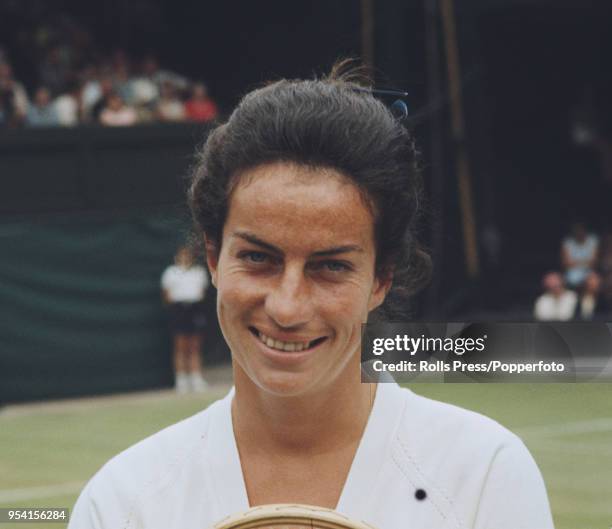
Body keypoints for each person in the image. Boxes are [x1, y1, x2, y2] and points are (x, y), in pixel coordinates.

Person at [69, 63, 554, 529]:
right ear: (214, 257)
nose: (287, 306)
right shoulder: (123, 502)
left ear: (381, 278)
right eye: (259, 258)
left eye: (331, 266)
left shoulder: (485, 477)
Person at [161, 246, 209, 393]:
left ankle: (196, 378)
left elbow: (202, 292)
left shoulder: (199, 273)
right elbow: (167, 295)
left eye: (187, 255)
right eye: (181, 255)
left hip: (194, 309)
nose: (184, 258)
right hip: (178, 310)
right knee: (180, 346)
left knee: (194, 346)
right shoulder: (170, 273)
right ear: (176, 256)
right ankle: (181, 381)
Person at [561, 222, 599, 290]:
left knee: (593, 281)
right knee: (571, 279)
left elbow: (593, 263)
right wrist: (585, 262)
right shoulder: (568, 242)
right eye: (576, 230)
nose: (578, 232)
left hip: (589, 271)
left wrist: (575, 262)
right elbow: (566, 263)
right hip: (572, 273)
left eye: (580, 229)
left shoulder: (593, 240)